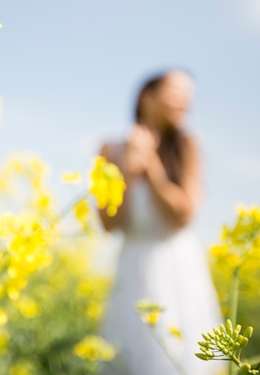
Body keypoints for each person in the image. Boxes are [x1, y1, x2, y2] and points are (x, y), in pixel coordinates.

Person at [97, 69, 225, 375]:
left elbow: (184, 215)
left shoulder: (189, 144)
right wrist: (128, 171)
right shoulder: (109, 149)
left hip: (178, 263)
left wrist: (151, 165)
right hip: (132, 264)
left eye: (189, 97)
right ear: (147, 97)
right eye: (177, 93)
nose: (186, 103)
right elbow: (108, 223)